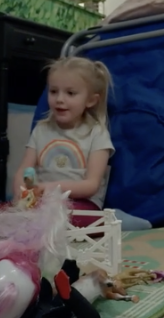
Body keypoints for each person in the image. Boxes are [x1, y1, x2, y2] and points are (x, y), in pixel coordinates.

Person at [18, 56, 116, 228]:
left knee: (64, 219)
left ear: (91, 100)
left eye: (70, 93)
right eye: (54, 91)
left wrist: (49, 189)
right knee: (5, 216)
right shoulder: (41, 130)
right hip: (42, 202)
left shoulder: (97, 134)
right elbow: (24, 170)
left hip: (82, 205)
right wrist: (20, 195)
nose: (59, 99)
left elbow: (91, 185)